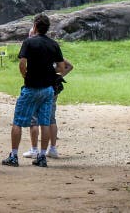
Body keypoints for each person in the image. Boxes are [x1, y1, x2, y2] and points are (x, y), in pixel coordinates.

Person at [3, 13, 67, 169]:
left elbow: (22, 63)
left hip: (31, 87)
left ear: (35, 26)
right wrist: (51, 74)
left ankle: (13, 155)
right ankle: (42, 156)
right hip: (48, 89)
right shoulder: (54, 44)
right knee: (45, 122)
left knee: (18, 121)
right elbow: (61, 67)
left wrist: (26, 75)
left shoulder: (29, 42)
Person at [23, 21, 74, 159]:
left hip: (37, 86)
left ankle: (35, 149)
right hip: (51, 87)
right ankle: (52, 149)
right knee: (50, 118)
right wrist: (56, 76)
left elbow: (68, 66)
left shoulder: (32, 47)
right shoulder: (51, 46)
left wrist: (55, 75)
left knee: (34, 118)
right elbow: (67, 66)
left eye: (31, 33)